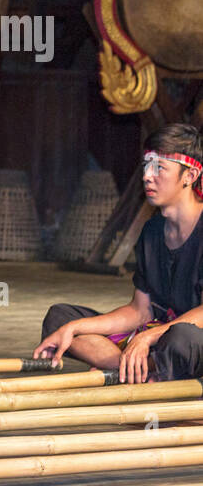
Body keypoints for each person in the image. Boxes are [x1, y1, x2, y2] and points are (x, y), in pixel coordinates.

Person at [36, 124, 203, 382]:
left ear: (189, 176)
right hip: (160, 338)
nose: (148, 176)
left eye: (159, 167)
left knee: (181, 338)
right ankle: (134, 368)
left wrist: (148, 337)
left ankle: (140, 365)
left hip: (187, 340)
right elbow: (140, 311)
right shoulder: (152, 230)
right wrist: (73, 327)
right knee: (59, 319)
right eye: (146, 166)